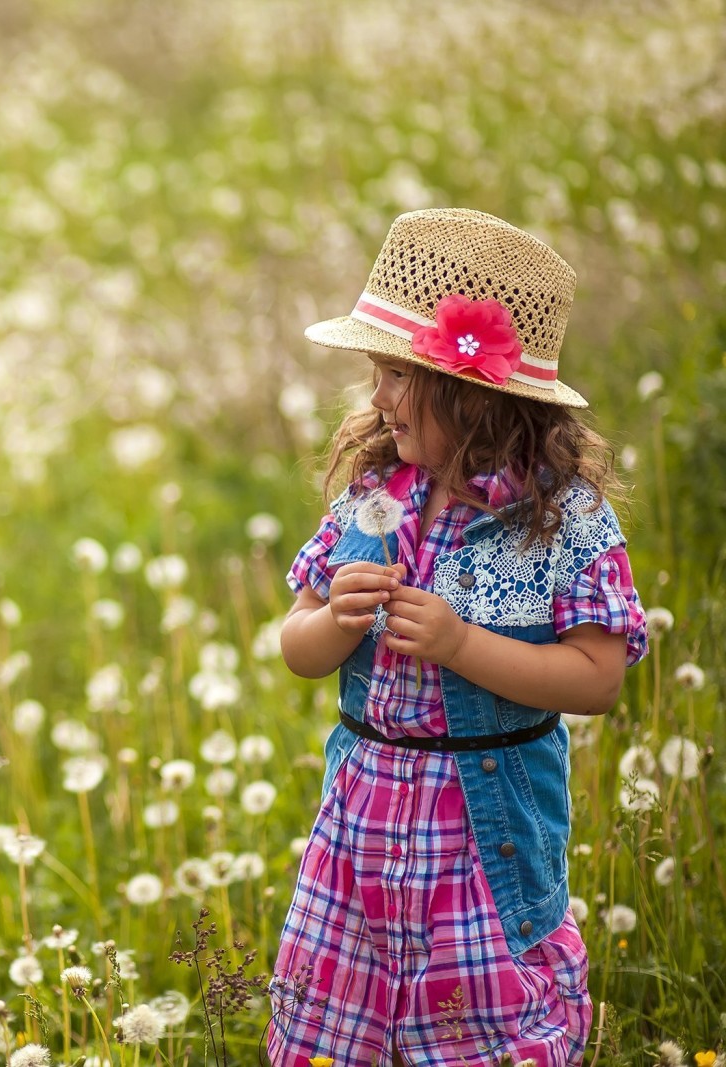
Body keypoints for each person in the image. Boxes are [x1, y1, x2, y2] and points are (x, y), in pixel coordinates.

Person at [267, 208, 648, 1067]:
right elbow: (295, 645)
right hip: (360, 837)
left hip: (482, 839)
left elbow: (596, 678)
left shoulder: (562, 521)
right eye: (376, 373)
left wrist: (461, 644)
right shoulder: (375, 492)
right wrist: (332, 622)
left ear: (474, 393)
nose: (377, 396)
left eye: (397, 375)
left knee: (477, 1028)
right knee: (341, 1026)